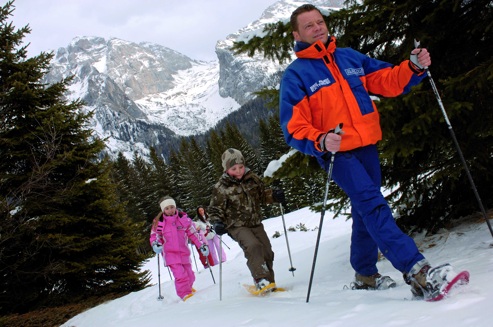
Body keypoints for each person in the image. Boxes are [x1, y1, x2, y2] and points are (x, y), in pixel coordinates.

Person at [279, 4, 457, 299]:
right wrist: (320, 140)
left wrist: (412, 66)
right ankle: (417, 270)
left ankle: (364, 273)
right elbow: (293, 128)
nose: (317, 28)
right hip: (338, 155)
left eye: (319, 22)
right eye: (308, 26)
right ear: (297, 34)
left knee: (366, 210)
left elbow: (386, 80)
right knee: (373, 204)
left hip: (367, 147)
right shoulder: (296, 75)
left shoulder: (349, 58)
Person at [209, 148, 285, 292]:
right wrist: (217, 222)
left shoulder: (252, 179)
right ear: (226, 169)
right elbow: (214, 209)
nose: (238, 171)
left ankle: (270, 283)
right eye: (234, 168)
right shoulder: (221, 187)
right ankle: (261, 279)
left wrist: (274, 196)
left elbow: (262, 195)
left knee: (267, 251)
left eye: (241, 167)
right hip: (236, 226)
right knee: (253, 246)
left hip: (255, 223)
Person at [149, 196, 209, 301]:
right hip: (170, 254)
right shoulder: (160, 222)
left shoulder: (183, 219)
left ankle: (188, 288)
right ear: (163, 210)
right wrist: (156, 243)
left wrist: (202, 245)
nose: (170, 210)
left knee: (190, 275)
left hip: (184, 252)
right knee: (180, 275)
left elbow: (193, 233)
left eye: (172, 207)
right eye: (167, 208)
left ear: (175, 207)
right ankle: (184, 294)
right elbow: (155, 235)